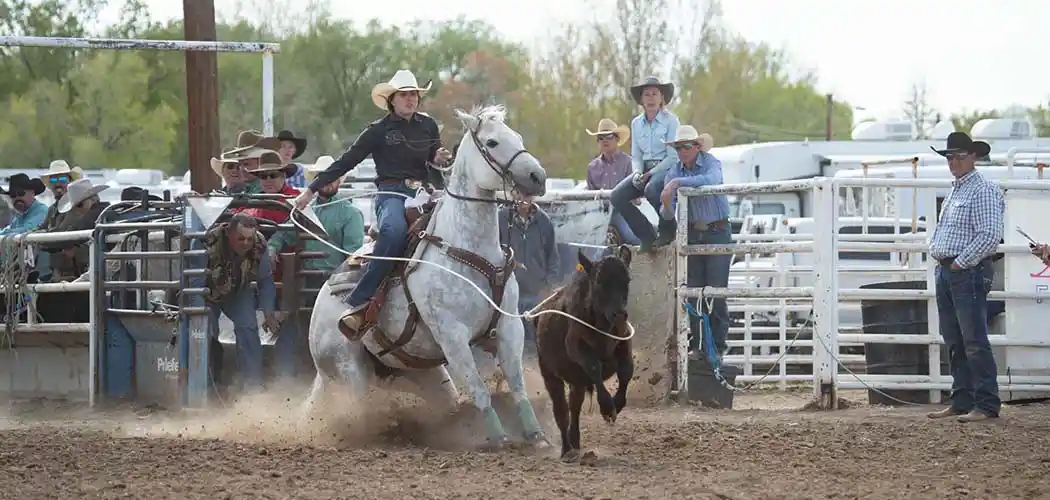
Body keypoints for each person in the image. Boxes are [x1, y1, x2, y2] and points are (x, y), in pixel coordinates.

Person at [293, 69, 452, 334]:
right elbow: (346, 161)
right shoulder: (378, 131)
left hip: (425, 193)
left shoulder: (428, 126)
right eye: (404, 95)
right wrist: (310, 190)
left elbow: (434, 159)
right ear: (392, 99)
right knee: (392, 231)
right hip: (391, 193)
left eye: (413, 94)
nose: (410, 99)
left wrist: (437, 157)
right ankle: (360, 300)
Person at [926, 131, 1003, 423]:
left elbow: (990, 236)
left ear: (973, 157)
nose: (953, 162)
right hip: (950, 270)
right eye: (950, 157)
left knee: (972, 339)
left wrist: (960, 263)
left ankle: (985, 402)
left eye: (959, 157)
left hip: (964, 271)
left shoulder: (981, 189)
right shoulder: (960, 189)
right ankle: (964, 399)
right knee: (956, 339)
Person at [267, 156, 365, 380]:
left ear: (340, 180)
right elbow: (284, 233)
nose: (329, 182)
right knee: (293, 331)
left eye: (333, 178)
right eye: (325, 177)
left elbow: (353, 255)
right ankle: (285, 381)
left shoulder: (349, 213)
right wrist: (272, 247)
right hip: (306, 282)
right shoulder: (305, 209)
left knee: (331, 335)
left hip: (333, 285)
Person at [659, 125, 731, 360]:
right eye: (679, 147)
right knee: (693, 293)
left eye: (687, 146)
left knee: (715, 291)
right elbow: (667, 213)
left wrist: (677, 184)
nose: (683, 151)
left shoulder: (710, 163)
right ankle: (700, 346)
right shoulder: (673, 172)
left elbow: (712, 179)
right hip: (692, 233)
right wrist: (667, 204)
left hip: (716, 230)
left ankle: (717, 346)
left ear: (697, 147)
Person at [191, 213, 279, 393]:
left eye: (249, 239)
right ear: (229, 234)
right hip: (206, 292)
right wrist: (199, 315)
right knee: (205, 332)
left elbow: (265, 280)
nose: (246, 243)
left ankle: (253, 384)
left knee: (248, 326)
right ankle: (206, 384)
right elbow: (195, 284)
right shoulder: (206, 243)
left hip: (238, 290)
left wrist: (269, 313)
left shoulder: (259, 244)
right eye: (241, 238)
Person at [609, 76, 681, 252]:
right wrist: (637, 173)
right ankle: (646, 235)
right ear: (641, 100)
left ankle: (668, 229)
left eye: (654, 94)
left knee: (651, 189)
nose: (650, 98)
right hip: (645, 169)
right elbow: (636, 155)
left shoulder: (671, 121)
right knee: (617, 196)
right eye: (646, 94)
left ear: (661, 98)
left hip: (666, 168)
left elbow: (673, 157)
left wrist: (651, 173)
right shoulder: (636, 123)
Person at [498, 189, 560, 356]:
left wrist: (549, 286)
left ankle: (535, 374)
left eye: (526, 194)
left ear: (533, 196)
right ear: (512, 194)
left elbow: (553, 257)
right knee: (510, 343)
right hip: (507, 294)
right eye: (518, 193)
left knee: (536, 342)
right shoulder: (500, 219)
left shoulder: (544, 221)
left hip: (536, 295)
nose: (522, 198)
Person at [39, 179, 110, 282]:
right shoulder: (100, 212)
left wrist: (41, 239)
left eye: (79, 205)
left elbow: (69, 236)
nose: (77, 210)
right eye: (74, 207)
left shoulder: (97, 214)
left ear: (93, 199)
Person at [585, 118, 639, 246]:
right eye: (600, 137)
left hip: (623, 212)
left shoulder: (629, 163)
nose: (604, 140)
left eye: (608, 136)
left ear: (617, 139)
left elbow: (636, 195)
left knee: (633, 238)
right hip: (598, 214)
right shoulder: (592, 167)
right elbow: (589, 199)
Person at [235, 150, 300, 224]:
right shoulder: (255, 197)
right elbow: (236, 214)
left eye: (273, 175)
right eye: (263, 176)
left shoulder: (295, 198)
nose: (268, 180)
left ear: (283, 176)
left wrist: (248, 214)